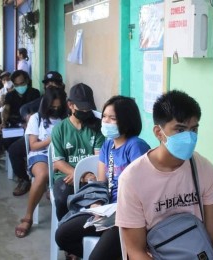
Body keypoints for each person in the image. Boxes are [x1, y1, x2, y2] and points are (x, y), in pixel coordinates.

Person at [116, 90, 213, 260]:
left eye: (194, 129)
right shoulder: (132, 179)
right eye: (180, 129)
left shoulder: (204, 169)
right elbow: (135, 251)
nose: (189, 137)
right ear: (158, 132)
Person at [55, 96, 150, 259]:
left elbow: (144, 190)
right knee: (63, 235)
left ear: (126, 121)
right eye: (104, 116)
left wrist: (115, 215)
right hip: (108, 210)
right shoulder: (108, 144)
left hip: (128, 215)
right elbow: (101, 183)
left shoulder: (136, 146)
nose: (105, 121)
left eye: (112, 118)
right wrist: (97, 204)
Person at [15, 88, 68, 238]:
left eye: (59, 107)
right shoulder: (36, 118)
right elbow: (33, 145)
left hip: (62, 155)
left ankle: (69, 223)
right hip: (41, 154)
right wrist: (52, 140)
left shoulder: (67, 118)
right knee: (43, 174)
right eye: (53, 107)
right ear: (46, 105)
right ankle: (28, 216)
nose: (56, 110)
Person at [51, 83, 105, 220]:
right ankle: (63, 231)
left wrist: (86, 175)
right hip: (66, 176)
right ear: (70, 105)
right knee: (63, 199)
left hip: (92, 175)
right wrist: (79, 175)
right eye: (82, 108)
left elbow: (98, 159)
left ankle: (86, 231)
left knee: (100, 200)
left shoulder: (97, 127)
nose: (86, 112)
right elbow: (58, 162)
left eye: (89, 109)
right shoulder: (60, 129)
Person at [9, 71, 66, 196]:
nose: (51, 86)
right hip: (39, 139)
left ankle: (51, 184)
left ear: (61, 86)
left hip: (61, 148)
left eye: (55, 84)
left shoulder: (66, 104)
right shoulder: (42, 100)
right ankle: (24, 179)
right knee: (14, 149)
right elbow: (24, 108)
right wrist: (27, 117)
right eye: (48, 84)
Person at [0, 70, 40, 169]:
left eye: (22, 83)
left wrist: (28, 123)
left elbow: (34, 112)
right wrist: (3, 122)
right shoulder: (10, 95)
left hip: (26, 122)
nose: (19, 87)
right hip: (12, 119)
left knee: (7, 139)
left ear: (27, 81)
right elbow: (6, 109)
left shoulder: (34, 93)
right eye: (16, 85)